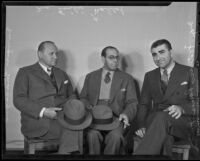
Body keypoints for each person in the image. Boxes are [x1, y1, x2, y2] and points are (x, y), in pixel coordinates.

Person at [134, 39, 198, 157]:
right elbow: (144, 104)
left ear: (170, 52)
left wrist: (182, 108)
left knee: (162, 117)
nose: (158, 57)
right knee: (166, 139)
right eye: (154, 54)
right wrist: (141, 125)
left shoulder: (190, 72)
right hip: (155, 122)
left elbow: (197, 103)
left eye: (162, 52)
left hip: (181, 123)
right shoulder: (150, 76)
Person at [13, 41, 80, 154]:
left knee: (82, 129)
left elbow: (72, 95)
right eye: (52, 53)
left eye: (56, 54)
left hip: (62, 118)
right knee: (73, 131)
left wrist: (72, 109)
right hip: (39, 121)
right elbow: (19, 100)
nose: (56, 57)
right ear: (40, 54)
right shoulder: (25, 72)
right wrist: (43, 111)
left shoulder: (61, 73)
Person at [80, 46, 138, 154]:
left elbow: (132, 102)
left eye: (117, 57)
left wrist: (126, 114)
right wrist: (90, 108)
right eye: (111, 57)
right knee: (92, 135)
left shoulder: (127, 78)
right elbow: (83, 98)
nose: (115, 61)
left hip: (116, 118)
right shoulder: (90, 77)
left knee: (115, 137)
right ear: (103, 59)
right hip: (94, 118)